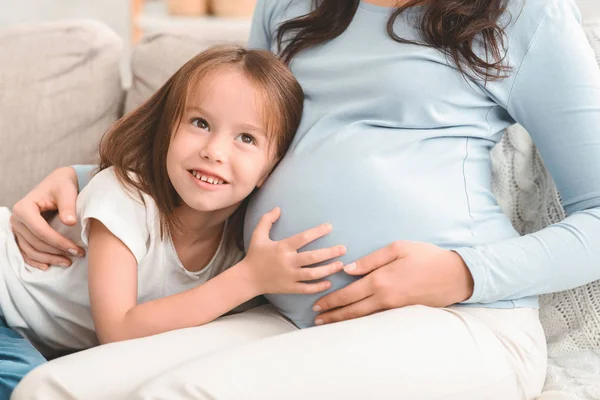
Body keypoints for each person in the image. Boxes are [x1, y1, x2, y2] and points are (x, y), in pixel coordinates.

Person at [9, 0, 600, 398]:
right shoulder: (292, 5)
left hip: (458, 323)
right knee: (52, 391)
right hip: (291, 316)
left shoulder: (522, 14)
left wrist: (462, 273)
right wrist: (90, 177)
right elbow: (239, 139)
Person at [0, 44, 348, 398]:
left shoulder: (241, 245)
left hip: (34, 337)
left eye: (246, 138)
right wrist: (249, 279)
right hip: (4, 298)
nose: (214, 150)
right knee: (22, 387)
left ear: (271, 168)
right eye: (201, 123)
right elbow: (116, 332)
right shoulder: (123, 197)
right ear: (168, 130)